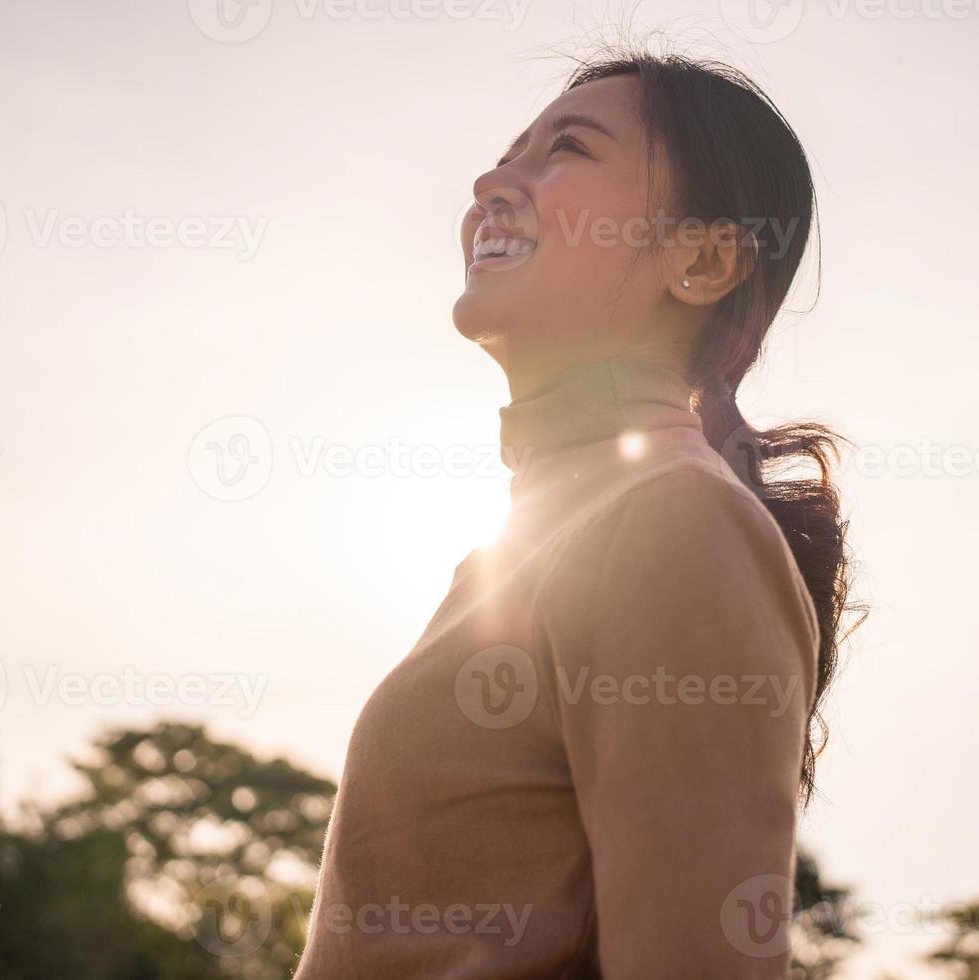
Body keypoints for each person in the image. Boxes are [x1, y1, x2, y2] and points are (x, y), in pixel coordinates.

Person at [295, 47, 852, 978]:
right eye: (510, 150)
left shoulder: (674, 520)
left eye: (567, 149)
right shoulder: (524, 551)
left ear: (705, 259)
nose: (489, 181)